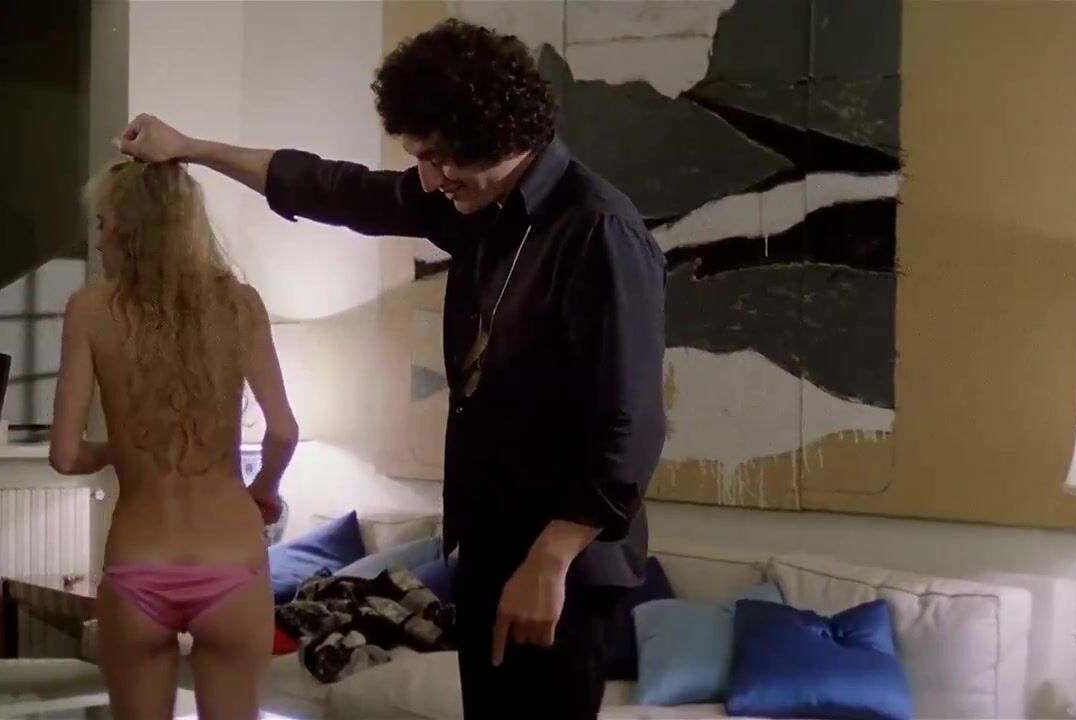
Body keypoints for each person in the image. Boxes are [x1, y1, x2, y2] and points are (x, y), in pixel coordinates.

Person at [117, 17, 666, 720]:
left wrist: (551, 559)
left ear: (493, 132)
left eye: (437, 157)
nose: (429, 179)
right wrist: (193, 148)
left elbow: (630, 426)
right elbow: (336, 188)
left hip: (562, 566)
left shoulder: (597, 229)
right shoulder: (481, 209)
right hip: (492, 548)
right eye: (420, 159)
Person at [48, 160, 299, 720]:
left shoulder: (89, 310)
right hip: (233, 564)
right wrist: (263, 489)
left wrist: (125, 452)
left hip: (139, 564)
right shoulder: (241, 305)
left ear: (131, 227)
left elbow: (65, 455)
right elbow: (284, 430)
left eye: (102, 224)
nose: (97, 241)